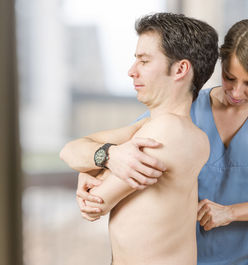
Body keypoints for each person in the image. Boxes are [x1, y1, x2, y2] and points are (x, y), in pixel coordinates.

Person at [64, 18, 248, 265]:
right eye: (230, 77)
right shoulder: (183, 111)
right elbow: (104, 149)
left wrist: (231, 213)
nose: (237, 92)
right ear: (221, 65)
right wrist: (99, 161)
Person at [60, 13, 219, 265]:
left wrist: (93, 167)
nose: (131, 71)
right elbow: (69, 150)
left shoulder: (169, 130)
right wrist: (108, 157)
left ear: (180, 69)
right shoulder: (149, 126)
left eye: (144, 61)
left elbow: (95, 203)